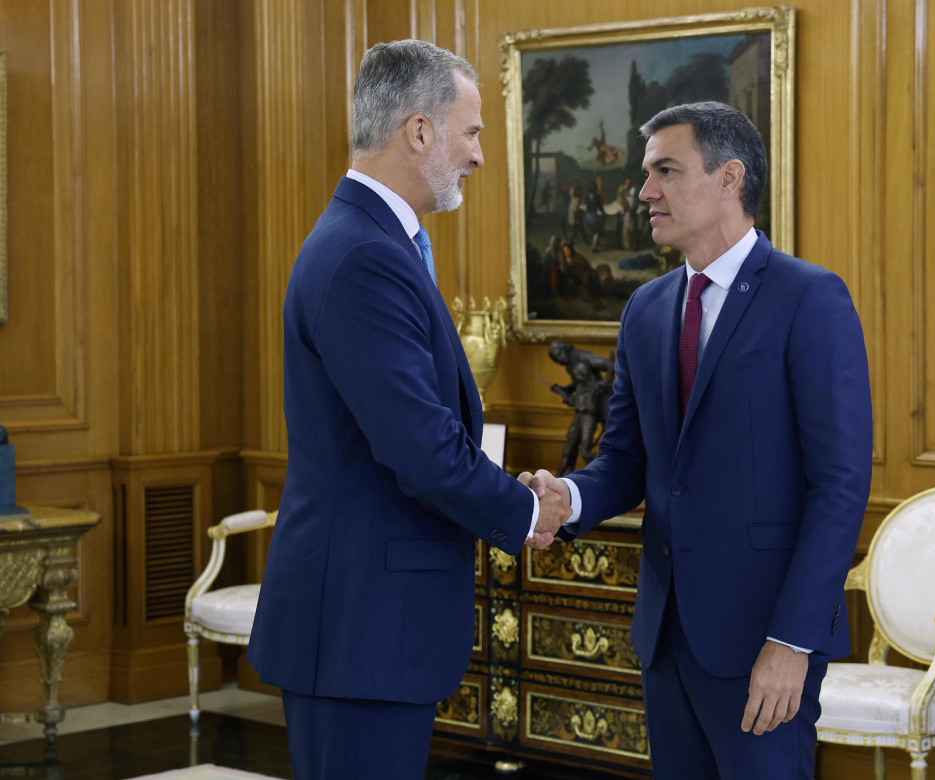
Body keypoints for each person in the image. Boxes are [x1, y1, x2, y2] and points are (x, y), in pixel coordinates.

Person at [247, 40, 569, 779]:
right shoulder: (365, 255)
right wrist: (525, 513)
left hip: (369, 628)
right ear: (419, 131)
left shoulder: (377, 243)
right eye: (473, 131)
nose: (479, 156)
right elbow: (420, 448)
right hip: (359, 629)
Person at [526, 102, 872, 779]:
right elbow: (627, 460)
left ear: (728, 179)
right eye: (645, 173)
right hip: (666, 638)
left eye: (665, 171)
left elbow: (839, 485)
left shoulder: (810, 299)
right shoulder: (646, 309)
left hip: (763, 640)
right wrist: (566, 498)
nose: (643, 192)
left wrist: (791, 641)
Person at [546, 340, 614, 476]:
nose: (558, 360)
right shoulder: (569, 364)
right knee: (570, 446)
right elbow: (580, 383)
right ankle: (562, 480)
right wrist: (564, 390)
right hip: (583, 407)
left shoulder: (583, 357)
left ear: (563, 349)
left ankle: (606, 476)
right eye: (555, 359)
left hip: (598, 404)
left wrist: (602, 385)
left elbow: (611, 366)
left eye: (557, 355)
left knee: (592, 449)